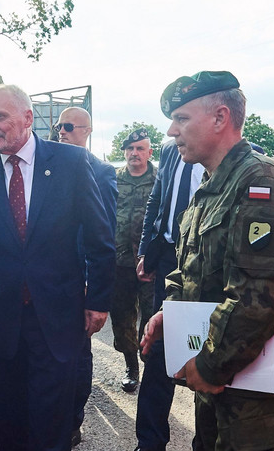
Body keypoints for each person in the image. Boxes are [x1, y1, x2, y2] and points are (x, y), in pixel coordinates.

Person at [140, 70, 274, 451]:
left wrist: (209, 365)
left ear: (220, 118)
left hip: (258, 393)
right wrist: (172, 313)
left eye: (181, 118)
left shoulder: (262, 184)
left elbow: (258, 298)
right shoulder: (213, 185)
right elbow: (190, 268)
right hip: (225, 373)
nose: (171, 131)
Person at [0, 85, 115, 451]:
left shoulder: (71, 163)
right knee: (8, 419)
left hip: (58, 317)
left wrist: (98, 301)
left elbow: (100, 238)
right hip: (3, 318)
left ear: (28, 118)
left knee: (52, 422)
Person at [134, 136, 205, 451]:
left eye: (182, 117)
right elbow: (157, 199)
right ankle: (149, 442)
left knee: (205, 346)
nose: (174, 128)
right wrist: (145, 250)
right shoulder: (169, 149)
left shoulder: (243, 158)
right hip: (167, 257)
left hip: (208, 261)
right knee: (159, 347)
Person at [54, 106, 118, 447]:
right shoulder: (48, 167)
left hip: (81, 278)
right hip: (52, 279)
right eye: (58, 126)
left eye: (69, 126)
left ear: (87, 131)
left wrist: (95, 290)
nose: (62, 132)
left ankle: (72, 421)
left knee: (78, 353)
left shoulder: (101, 171)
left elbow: (103, 234)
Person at [112, 128, 157, 393]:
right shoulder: (113, 179)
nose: (134, 153)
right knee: (121, 316)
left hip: (149, 262)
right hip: (119, 261)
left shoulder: (159, 179)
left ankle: (148, 362)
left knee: (150, 314)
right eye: (130, 148)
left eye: (140, 148)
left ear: (149, 152)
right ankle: (131, 365)